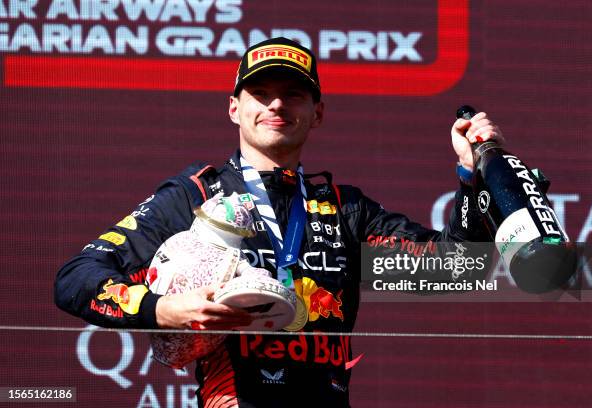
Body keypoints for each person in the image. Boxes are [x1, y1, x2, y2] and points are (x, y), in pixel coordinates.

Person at [55, 37, 503, 407]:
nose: (276, 104)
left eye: (293, 94)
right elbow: (76, 278)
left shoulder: (346, 208)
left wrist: (470, 176)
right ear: (234, 109)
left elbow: (453, 270)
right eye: (260, 93)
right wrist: (161, 309)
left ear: (317, 112)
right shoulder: (197, 195)